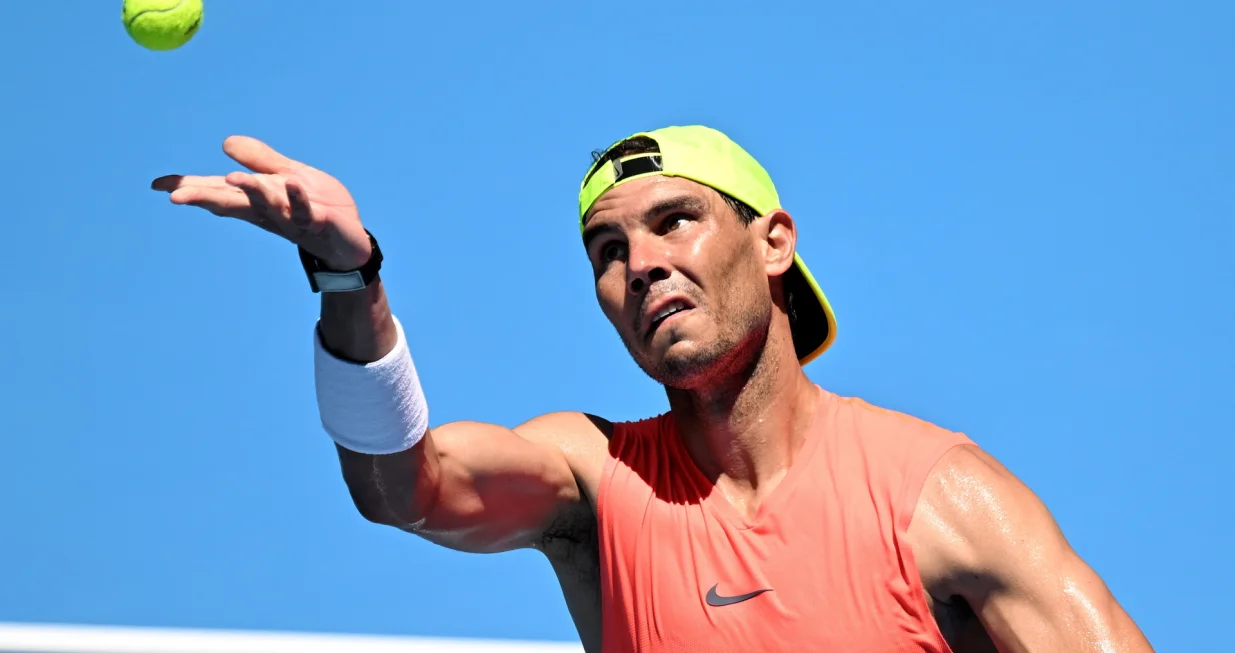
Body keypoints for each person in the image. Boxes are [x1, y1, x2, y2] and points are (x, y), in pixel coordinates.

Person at [153, 125, 1154, 652]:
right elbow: (403, 488)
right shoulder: (593, 475)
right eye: (607, 247)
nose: (639, 262)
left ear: (772, 243)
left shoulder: (940, 495)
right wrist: (347, 279)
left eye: (675, 221)